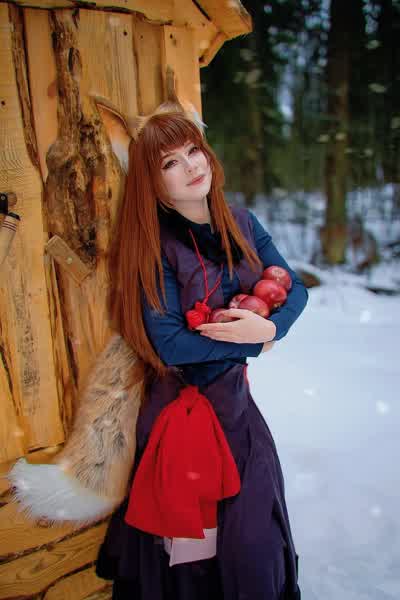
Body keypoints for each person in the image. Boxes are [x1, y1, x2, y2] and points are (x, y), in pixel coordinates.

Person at [95, 103, 308, 600]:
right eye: (171, 162)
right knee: (197, 554)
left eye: (194, 150)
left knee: (255, 539)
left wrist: (270, 327)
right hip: (182, 411)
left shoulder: (242, 223)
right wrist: (251, 342)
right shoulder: (154, 245)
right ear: (152, 183)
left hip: (237, 409)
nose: (192, 166)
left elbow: (295, 288)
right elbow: (168, 340)